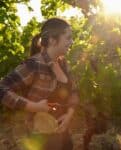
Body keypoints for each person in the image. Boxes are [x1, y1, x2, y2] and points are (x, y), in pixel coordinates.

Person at [0, 17, 79, 150]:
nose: (72, 41)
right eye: (68, 38)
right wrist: (34, 106)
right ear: (53, 40)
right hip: (41, 140)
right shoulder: (34, 64)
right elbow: (2, 88)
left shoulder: (64, 63)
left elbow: (74, 91)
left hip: (63, 135)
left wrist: (69, 115)